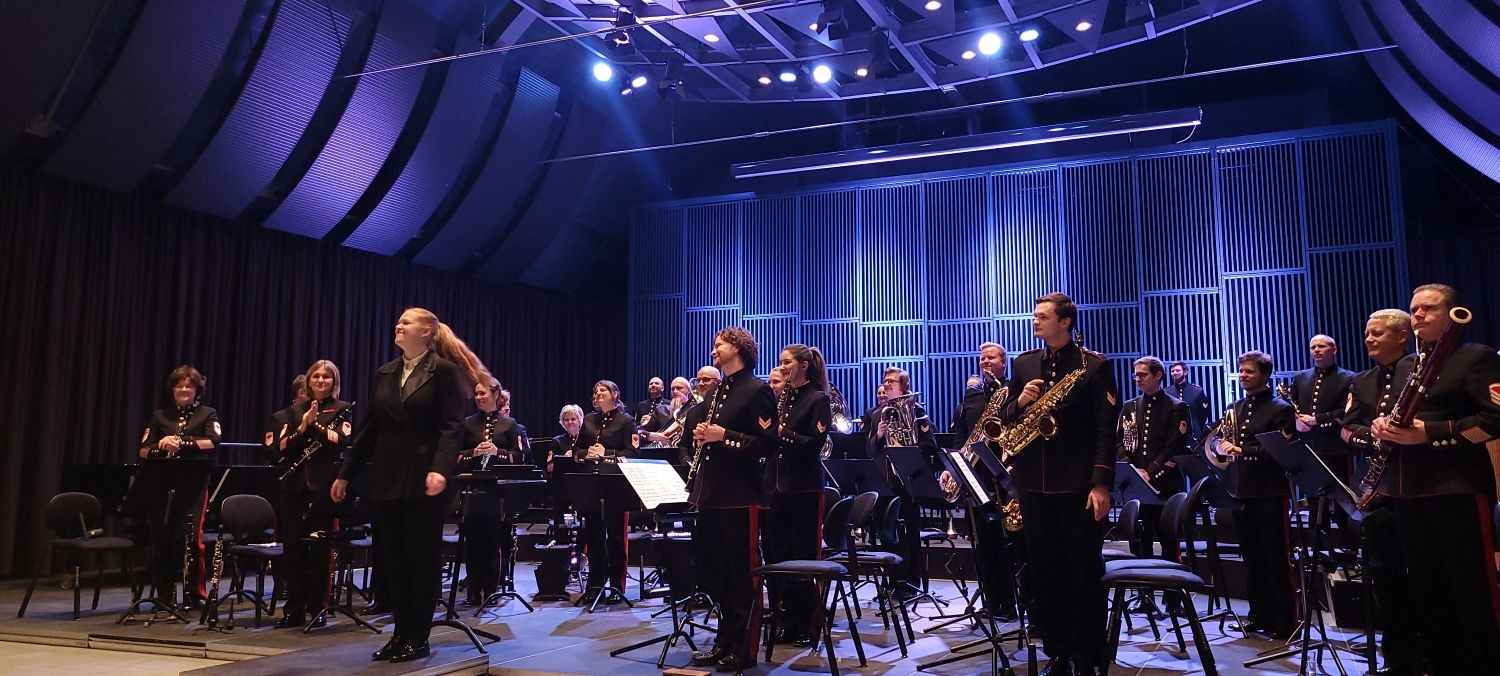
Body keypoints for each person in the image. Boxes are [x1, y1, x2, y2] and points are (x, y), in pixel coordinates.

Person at [331, 307, 487, 663]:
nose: (398, 326)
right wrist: (345, 473)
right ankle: (400, 634)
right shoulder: (385, 372)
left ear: (427, 332)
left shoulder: (443, 371)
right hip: (388, 476)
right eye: (398, 321)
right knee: (394, 561)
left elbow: (452, 426)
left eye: (407, 322)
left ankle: (418, 637)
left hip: (424, 477)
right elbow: (370, 427)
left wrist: (441, 469)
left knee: (420, 560)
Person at [1368, 284, 1500, 675]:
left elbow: (1495, 420)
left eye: (1428, 308)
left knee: (1471, 588)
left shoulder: (1476, 357)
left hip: (1457, 489)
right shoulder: (1407, 365)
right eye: (1414, 310)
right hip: (1409, 493)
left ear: (1453, 312)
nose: (1419, 315)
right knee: (1428, 592)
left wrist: (1432, 434)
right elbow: (1398, 417)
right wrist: (1382, 426)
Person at [996, 293, 1118, 676]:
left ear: (1065, 322)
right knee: (1045, 574)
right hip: (1033, 485)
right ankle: (1058, 653)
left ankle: (1086, 657)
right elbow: (1007, 419)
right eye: (1035, 316)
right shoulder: (1023, 363)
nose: (1035, 321)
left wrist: (1101, 483)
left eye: (1043, 317)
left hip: (1078, 486)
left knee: (1083, 574)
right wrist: (1020, 402)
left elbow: (1105, 430)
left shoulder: (1093, 365)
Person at [682, 327, 776, 673]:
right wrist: (704, 436)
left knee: (742, 574)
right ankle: (723, 641)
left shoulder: (757, 389)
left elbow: (766, 444)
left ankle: (744, 648)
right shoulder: (718, 390)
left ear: (737, 348)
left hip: (740, 494)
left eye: (719, 345)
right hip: (712, 493)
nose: (714, 351)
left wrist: (725, 436)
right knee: (719, 573)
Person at [1340, 309, 1421, 675]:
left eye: (1377, 333)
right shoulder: (1362, 380)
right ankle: (1398, 659)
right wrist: (1373, 435)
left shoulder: (1420, 369)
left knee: (1423, 577)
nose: (1368, 339)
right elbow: (1347, 428)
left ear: (1402, 336)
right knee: (1386, 578)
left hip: (1418, 486)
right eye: (1367, 333)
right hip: (1376, 491)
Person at [1212, 351, 1296, 640]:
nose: (1243, 375)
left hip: (1269, 490)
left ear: (1265, 375)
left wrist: (1242, 450)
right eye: (1241, 371)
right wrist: (1221, 447)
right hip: (1241, 489)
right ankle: (1258, 616)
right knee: (1252, 559)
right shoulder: (1235, 407)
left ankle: (1285, 621)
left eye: (1249, 371)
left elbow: (1278, 450)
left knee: (1276, 558)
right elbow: (1225, 441)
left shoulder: (1280, 409)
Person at [272, 361, 352, 628]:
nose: (320, 380)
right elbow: (279, 448)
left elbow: (341, 442)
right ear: (308, 381)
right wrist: (302, 427)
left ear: (334, 381)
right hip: (293, 486)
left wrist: (316, 426)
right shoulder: (293, 412)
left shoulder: (342, 409)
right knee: (293, 547)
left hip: (324, 487)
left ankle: (318, 609)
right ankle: (293, 609)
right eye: (316, 376)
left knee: (320, 549)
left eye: (326, 377)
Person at [944, 342, 1021, 621]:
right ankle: (991, 601)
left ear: (1003, 363)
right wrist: (952, 468)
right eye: (982, 359)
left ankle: (1012, 604)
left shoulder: (1013, 391)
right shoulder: (971, 396)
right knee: (983, 544)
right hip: (976, 478)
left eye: (991, 358)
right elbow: (962, 437)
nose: (985, 362)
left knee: (1008, 545)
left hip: (1004, 478)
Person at [763, 345, 831, 646]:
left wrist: (783, 434)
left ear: (803, 365)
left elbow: (814, 444)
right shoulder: (780, 398)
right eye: (781, 363)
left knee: (803, 558)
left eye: (787, 363)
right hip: (774, 487)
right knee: (777, 557)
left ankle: (807, 623)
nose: (782, 367)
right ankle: (784, 619)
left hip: (803, 487)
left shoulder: (818, 399)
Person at [139, 365, 222, 610]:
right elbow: (143, 450)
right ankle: (164, 596)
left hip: (194, 484)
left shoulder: (207, 413)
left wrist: (182, 442)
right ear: (172, 389)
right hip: (161, 484)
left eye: (189, 386)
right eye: (179, 385)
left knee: (193, 539)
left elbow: (213, 442)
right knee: (162, 540)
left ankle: (196, 594)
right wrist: (161, 445)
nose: (184, 389)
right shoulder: (159, 415)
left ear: (197, 390)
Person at [865, 366, 940, 592]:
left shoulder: (917, 411)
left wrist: (906, 449)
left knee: (909, 534)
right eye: (885, 380)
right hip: (885, 483)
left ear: (904, 386)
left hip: (908, 483)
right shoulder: (877, 414)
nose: (886, 384)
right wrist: (879, 435)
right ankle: (891, 583)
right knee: (887, 535)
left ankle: (911, 583)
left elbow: (931, 445)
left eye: (892, 381)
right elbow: (870, 451)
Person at [459, 377, 523, 608]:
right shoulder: (468, 423)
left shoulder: (509, 424)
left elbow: (520, 457)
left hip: (497, 491)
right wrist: (473, 453)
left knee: (492, 541)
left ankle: (490, 589)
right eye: (476, 394)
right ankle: (473, 590)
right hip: (472, 489)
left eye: (482, 393)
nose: (478, 397)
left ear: (496, 395)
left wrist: (498, 452)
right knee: (473, 541)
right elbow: (455, 455)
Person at [1116, 356, 1188, 559]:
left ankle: (1172, 581)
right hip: (1136, 487)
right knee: (1139, 544)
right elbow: (1119, 443)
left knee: (1169, 544)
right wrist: (1133, 471)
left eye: (1143, 375)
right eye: (1136, 375)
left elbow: (1175, 445)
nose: (1138, 379)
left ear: (1158, 375)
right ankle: (1142, 579)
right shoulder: (1129, 406)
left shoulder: (1176, 407)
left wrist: (1150, 472)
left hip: (1165, 485)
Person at [577, 380, 638, 602]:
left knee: (616, 538)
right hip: (592, 484)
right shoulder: (589, 420)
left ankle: (616, 586)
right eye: (596, 390)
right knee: (593, 537)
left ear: (615, 395)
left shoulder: (626, 421)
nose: (598, 393)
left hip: (617, 485)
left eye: (603, 390)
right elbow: (576, 449)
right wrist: (586, 453)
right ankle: (595, 585)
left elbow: (633, 453)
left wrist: (607, 453)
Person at [1288, 335, 1355, 480]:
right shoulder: (1300, 377)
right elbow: (1289, 405)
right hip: (1305, 446)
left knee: (1340, 490)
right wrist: (1296, 420)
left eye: (1322, 346)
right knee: (1310, 490)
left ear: (1334, 350)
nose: (1316, 350)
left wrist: (1316, 419)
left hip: (1336, 447)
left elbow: (1348, 411)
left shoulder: (1349, 377)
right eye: (1313, 347)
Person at [263, 375, 308, 460]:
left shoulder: (319, 417)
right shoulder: (279, 418)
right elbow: (270, 451)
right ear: (301, 393)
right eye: (312, 393)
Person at [1165, 362, 1210, 444]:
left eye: (1177, 370)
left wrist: (1196, 426)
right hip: (1172, 436)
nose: (1174, 373)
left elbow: (1203, 414)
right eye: (1172, 371)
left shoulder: (1197, 391)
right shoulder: (1167, 392)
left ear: (1185, 372)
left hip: (1193, 435)